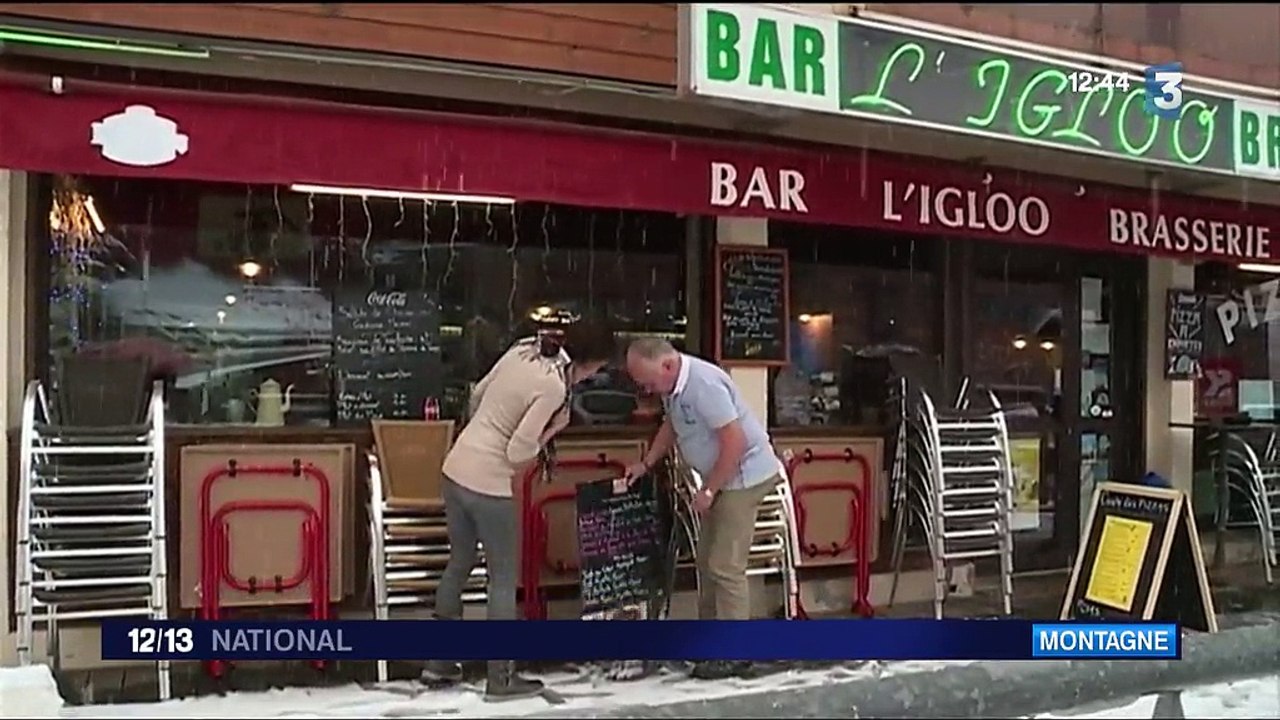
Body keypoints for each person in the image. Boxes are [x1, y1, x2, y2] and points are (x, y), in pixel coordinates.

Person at [423, 319, 618, 700]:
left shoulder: (524, 349)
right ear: (592, 364)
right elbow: (517, 452)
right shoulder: (554, 387)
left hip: (456, 467)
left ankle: (439, 663)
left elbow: (477, 395)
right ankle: (500, 678)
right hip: (489, 484)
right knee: (501, 577)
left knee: (459, 561)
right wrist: (552, 430)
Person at [623, 338, 783, 680]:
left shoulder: (703, 384)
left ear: (667, 365)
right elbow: (671, 425)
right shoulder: (673, 386)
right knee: (707, 560)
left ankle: (735, 653)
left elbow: (735, 441)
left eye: (646, 381)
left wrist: (710, 488)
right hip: (721, 478)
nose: (644, 388)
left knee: (725, 565)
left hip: (743, 477)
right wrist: (647, 463)